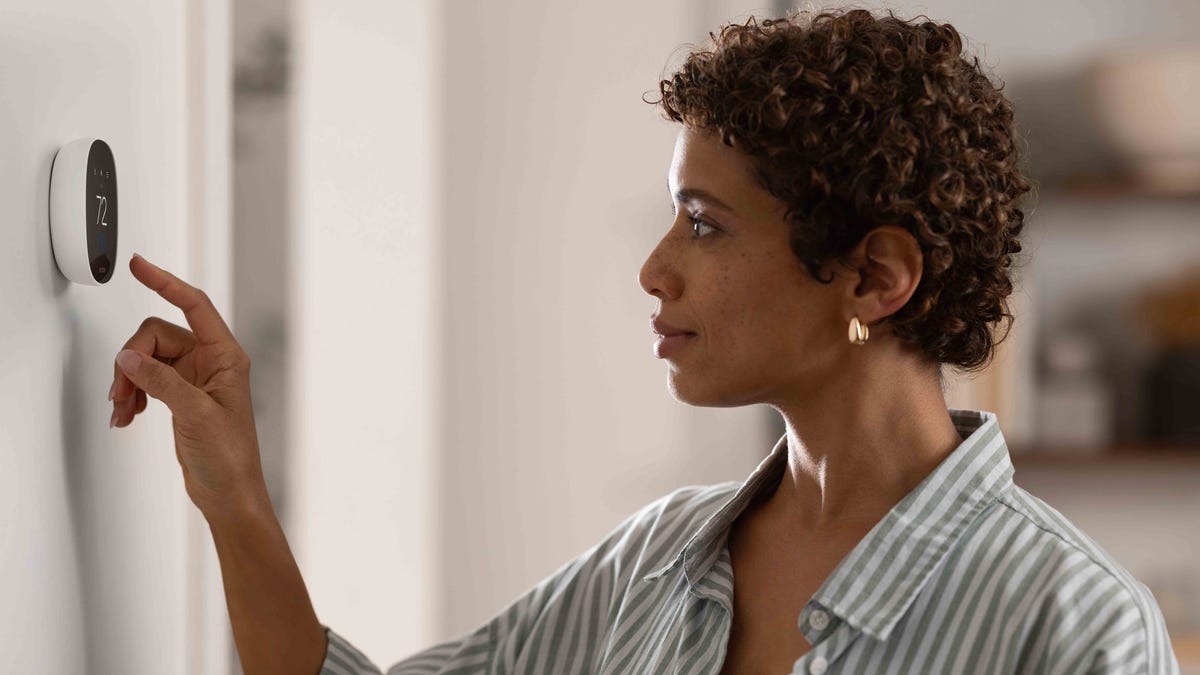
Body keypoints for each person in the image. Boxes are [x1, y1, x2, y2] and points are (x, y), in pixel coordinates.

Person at [108, 7, 1181, 674]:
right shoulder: (654, 566)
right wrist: (234, 491)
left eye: (705, 225)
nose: (654, 268)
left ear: (875, 276)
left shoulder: (1072, 629)